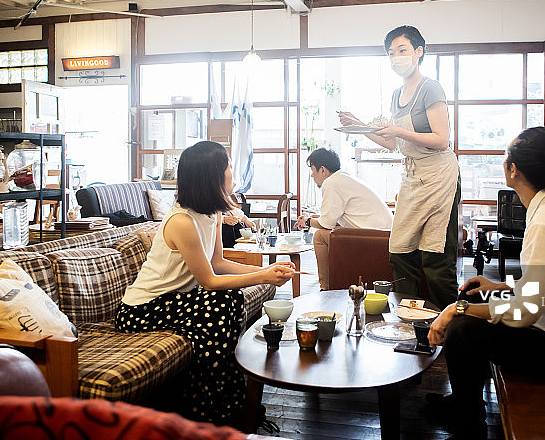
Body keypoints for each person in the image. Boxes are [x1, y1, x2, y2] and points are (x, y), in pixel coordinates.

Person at [427, 127, 545, 439]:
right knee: (474, 296)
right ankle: (463, 403)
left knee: (462, 329)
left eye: (505, 157)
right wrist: (500, 286)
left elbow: (526, 311)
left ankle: (468, 426)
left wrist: (454, 310)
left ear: (513, 170)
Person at [115, 140, 294, 425]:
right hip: (141, 310)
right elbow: (209, 281)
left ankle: (226, 403)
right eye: (229, 167)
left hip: (173, 302)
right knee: (220, 302)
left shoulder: (213, 213)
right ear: (212, 176)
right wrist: (262, 276)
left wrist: (267, 269)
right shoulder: (181, 221)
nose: (233, 173)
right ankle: (212, 408)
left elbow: (218, 263)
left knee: (229, 300)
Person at [339, 25, 460, 308]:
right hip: (413, 175)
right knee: (399, 250)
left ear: (418, 52)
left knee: (435, 256)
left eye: (402, 50)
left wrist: (398, 130)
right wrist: (359, 126)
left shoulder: (430, 87)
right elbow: (392, 143)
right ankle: (410, 315)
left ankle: (447, 323)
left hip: (439, 175)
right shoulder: (397, 94)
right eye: (391, 53)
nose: (396, 58)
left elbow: (441, 139)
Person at [295, 148, 393, 290]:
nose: (312, 175)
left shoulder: (331, 183)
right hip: (383, 237)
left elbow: (326, 224)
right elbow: (332, 217)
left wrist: (307, 222)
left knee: (319, 236)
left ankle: (325, 288)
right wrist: (311, 219)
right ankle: (331, 285)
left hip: (376, 239)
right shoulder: (343, 178)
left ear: (322, 170)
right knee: (332, 231)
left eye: (312, 170)